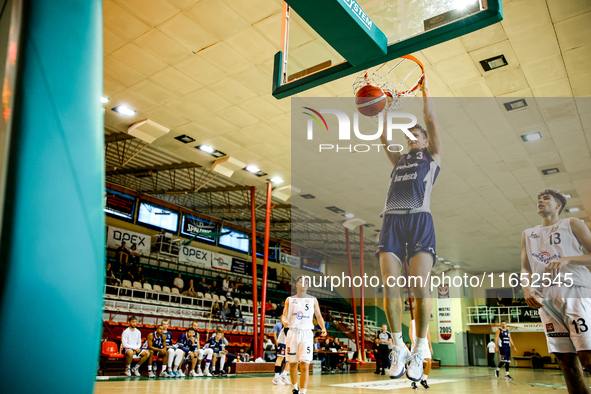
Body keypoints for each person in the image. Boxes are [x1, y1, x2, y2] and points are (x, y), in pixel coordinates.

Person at [375, 76, 441, 382]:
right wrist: (385, 110)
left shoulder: (432, 158)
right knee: (391, 287)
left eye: (417, 135)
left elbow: (430, 118)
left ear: (426, 141)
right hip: (392, 219)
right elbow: (383, 137)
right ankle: (398, 345)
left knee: (420, 288)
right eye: (409, 135)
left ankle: (418, 347)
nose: (412, 137)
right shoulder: (398, 159)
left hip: (420, 219)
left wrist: (426, 93)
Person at [522, 188, 591, 394]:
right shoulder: (528, 233)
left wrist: (567, 259)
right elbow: (525, 268)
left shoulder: (571, 224)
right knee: (566, 363)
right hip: (546, 299)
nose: (540, 201)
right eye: (539, 199)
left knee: (588, 358)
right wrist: (527, 288)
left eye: (546, 198)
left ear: (558, 205)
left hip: (575, 292)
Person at [282, 275, 327, 394]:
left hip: (307, 334)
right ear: (296, 285)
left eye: (306, 282)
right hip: (292, 333)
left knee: (305, 364)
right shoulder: (289, 300)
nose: (304, 283)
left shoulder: (313, 300)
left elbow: (318, 316)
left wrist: (323, 327)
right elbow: (283, 315)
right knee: (292, 364)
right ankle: (294, 388)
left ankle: (303, 391)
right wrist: (284, 321)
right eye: (301, 281)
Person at [409, 318, 433, 390]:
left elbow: (428, 334)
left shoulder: (426, 322)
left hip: (425, 344)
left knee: (429, 362)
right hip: (416, 343)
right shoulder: (412, 322)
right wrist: (413, 342)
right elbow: (410, 333)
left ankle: (424, 380)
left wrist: (431, 347)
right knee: (415, 364)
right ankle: (413, 382)